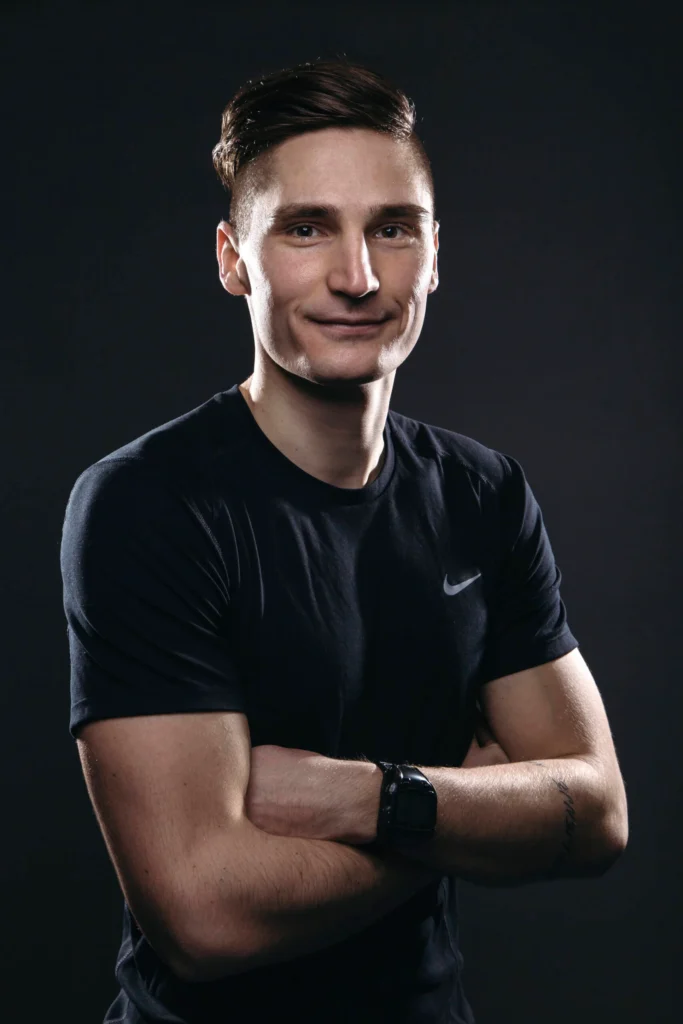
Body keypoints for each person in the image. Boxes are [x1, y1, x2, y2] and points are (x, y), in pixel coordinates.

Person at [60, 58, 628, 1024]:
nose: (357, 278)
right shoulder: (145, 504)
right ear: (233, 259)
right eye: (306, 227)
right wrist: (467, 811)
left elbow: (597, 816)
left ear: (435, 254)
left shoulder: (482, 493)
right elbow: (202, 918)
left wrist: (369, 799)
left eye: (392, 229)